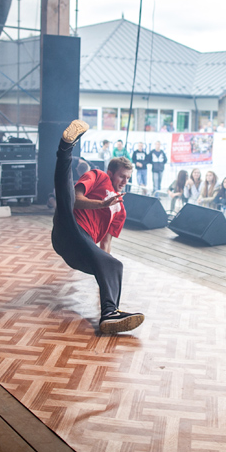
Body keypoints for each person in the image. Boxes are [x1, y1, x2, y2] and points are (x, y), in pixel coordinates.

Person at [50, 120, 143, 334]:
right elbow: (75, 199)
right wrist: (102, 204)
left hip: (80, 249)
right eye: (122, 176)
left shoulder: (120, 209)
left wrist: (104, 271)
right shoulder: (98, 176)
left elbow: (106, 244)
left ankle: (109, 314)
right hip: (70, 226)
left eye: (128, 178)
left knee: (114, 265)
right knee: (65, 193)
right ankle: (66, 146)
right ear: (111, 172)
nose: (124, 181)